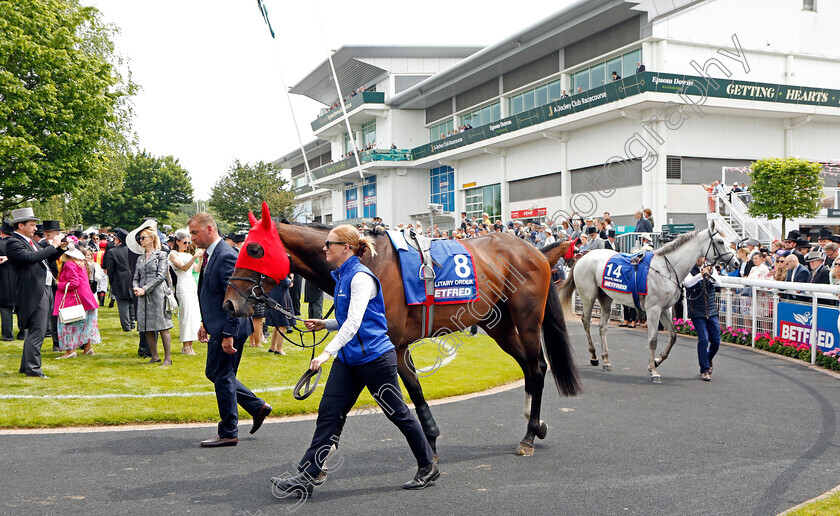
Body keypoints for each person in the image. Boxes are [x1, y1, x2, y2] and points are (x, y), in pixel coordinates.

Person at [270, 224, 438, 496]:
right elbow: (348, 320)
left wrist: (327, 352)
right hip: (350, 359)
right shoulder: (342, 275)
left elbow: (355, 323)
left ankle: (428, 465)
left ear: (345, 248)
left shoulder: (360, 278)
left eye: (330, 244)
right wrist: (325, 324)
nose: (325, 248)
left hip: (375, 359)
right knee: (328, 415)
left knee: (398, 414)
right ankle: (307, 476)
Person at [188, 212, 271, 447]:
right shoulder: (212, 254)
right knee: (218, 374)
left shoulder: (225, 255)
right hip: (220, 325)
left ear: (210, 229)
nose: (192, 237)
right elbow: (214, 294)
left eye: (195, 232)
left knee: (220, 375)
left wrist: (229, 333)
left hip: (230, 327)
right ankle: (256, 407)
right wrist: (207, 323)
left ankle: (228, 432)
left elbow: (237, 297)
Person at [5, 207, 68, 377]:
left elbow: (44, 259)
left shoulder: (29, 241)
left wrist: (60, 248)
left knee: (37, 330)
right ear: (20, 225)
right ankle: (33, 369)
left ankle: (26, 366)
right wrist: (52, 245)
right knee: (38, 330)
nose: (35, 229)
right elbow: (30, 259)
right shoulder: (14, 242)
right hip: (33, 291)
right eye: (32, 225)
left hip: (43, 288)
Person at [129, 221, 174, 366]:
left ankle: (168, 358)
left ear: (152, 239)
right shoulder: (140, 258)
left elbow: (161, 276)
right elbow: (135, 276)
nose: (140, 241)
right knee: (146, 325)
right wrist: (136, 287)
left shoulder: (161, 255)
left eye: (143, 238)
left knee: (162, 325)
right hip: (142, 294)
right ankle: (154, 356)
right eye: (140, 238)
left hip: (157, 294)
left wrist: (144, 289)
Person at [54, 243, 100, 359]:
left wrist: (60, 284)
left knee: (68, 325)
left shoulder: (69, 264)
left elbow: (74, 283)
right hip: (85, 299)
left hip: (73, 300)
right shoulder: (80, 263)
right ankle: (87, 348)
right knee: (85, 324)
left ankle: (70, 351)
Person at [168, 229, 203, 355]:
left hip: (192, 285)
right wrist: (195, 257)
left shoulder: (188, 255)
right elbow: (183, 268)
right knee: (186, 315)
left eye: (188, 243)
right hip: (182, 285)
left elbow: (197, 270)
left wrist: (201, 258)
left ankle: (190, 344)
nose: (187, 245)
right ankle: (185, 345)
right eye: (184, 242)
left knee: (194, 315)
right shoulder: (173, 254)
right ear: (177, 241)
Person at [684, 257, 720, 382]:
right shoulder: (688, 269)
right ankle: (704, 370)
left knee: (716, 341)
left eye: (701, 257)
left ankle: (708, 358)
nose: (699, 259)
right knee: (703, 339)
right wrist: (700, 275)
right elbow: (688, 283)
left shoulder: (711, 268)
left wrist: (709, 274)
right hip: (697, 311)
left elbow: (718, 283)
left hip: (711, 310)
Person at [105, 229, 136, 332]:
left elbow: (110, 270)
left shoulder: (113, 252)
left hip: (119, 279)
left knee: (123, 304)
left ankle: (126, 326)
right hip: (132, 278)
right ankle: (132, 323)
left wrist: (112, 282)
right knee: (131, 302)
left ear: (118, 240)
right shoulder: (132, 250)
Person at [266, 274, 293, 355]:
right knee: (282, 323)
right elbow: (285, 282)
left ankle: (272, 347)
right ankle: (279, 349)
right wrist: (290, 280)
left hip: (273, 294)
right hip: (281, 296)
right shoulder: (280, 268)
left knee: (277, 324)